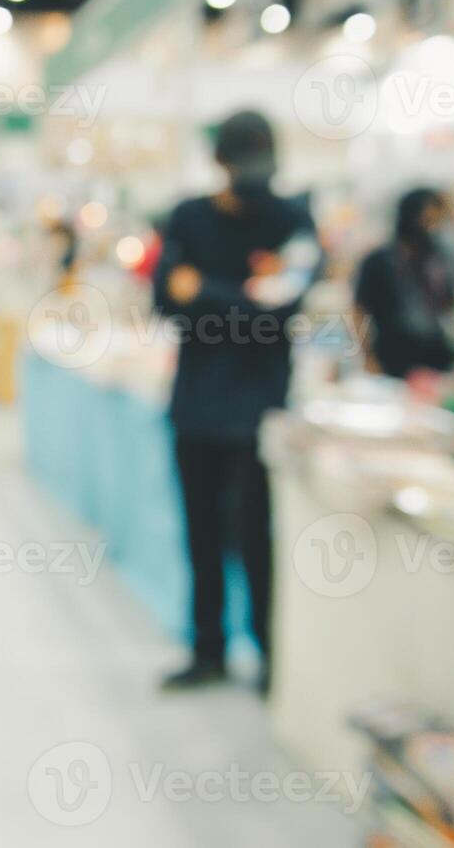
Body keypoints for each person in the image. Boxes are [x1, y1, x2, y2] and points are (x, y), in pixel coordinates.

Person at [152, 110, 322, 696]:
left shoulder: (292, 219)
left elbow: (282, 308)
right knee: (199, 534)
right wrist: (244, 303)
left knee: (256, 539)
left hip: (259, 409)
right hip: (196, 405)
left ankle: (271, 654)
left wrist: (205, 293)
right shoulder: (187, 218)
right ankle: (208, 650)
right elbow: (166, 301)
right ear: (219, 162)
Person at [353, 187, 454, 379]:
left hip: (437, 357)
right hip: (393, 358)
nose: (433, 227)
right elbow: (359, 310)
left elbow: (451, 304)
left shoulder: (440, 260)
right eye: (427, 220)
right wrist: (367, 356)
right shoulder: (379, 261)